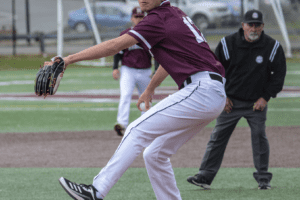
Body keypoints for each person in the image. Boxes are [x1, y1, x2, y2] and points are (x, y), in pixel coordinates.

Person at [55, 0, 226, 199]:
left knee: (136, 130)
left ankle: (96, 191)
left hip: (201, 90)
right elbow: (174, 58)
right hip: (211, 92)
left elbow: (114, 46)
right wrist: (150, 88)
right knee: (155, 155)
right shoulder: (174, 13)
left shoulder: (157, 18)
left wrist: (68, 59)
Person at [187, 9, 286, 190]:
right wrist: (222, 97)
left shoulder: (272, 47)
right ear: (243, 26)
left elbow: (278, 76)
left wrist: (265, 97)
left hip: (256, 103)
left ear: (263, 26)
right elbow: (215, 73)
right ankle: (204, 176)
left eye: (257, 25)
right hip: (230, 102)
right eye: (250, 25)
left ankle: (263, 179)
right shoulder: (227, 44)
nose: (253, 29)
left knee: (259, 137)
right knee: (217, 137)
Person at [113, 7, 159, 136]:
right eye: (136, 17)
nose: (139, 19)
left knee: (146, 98)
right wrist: (115, 67)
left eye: (141, 17)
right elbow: (118, 53)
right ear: (132, 18)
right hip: (128, 70)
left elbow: (157, 55)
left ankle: (145, 124)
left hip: (145, 70)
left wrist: (156, 71)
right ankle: (121, 124)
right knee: (126, 95)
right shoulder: (126, 34)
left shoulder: (150, 35)